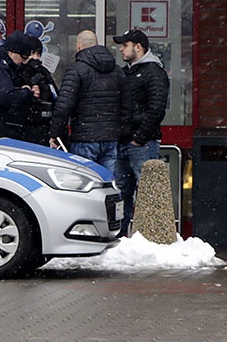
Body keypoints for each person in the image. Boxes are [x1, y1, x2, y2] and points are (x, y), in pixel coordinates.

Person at [112, 29, 170, 236]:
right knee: (121, 192)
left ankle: (150, 237)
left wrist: (139, 138)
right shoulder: (127, 72)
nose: (120, 49)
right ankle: (120, 237)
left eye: (124, 45)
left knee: (146, 192)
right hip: (125, 141)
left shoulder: (154, 72)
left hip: (141, 143)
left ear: (138, 47)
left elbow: (156, 108)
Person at [47, 30, 125, 174]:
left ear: (78, 46)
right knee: (107, 182)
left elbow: (64, 106)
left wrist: (56, 134)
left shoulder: (76, 70)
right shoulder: (117, 71)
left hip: (84, 138)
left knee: (84, 184)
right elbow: (126, 104)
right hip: (111, 138)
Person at [0, 31, 41, 139]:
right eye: (23, 57)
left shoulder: (8, 66)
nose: (24, 62)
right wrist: (26, 92)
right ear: (12, 52)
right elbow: (6, 97)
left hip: (3, 128)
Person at [19, 41, 58, 146]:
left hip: (43, 126)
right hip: (24, 128)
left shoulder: (44, 73)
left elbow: (55, 97)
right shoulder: (18, 72)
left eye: (38, 54)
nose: (35, 58)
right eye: (32, 54)